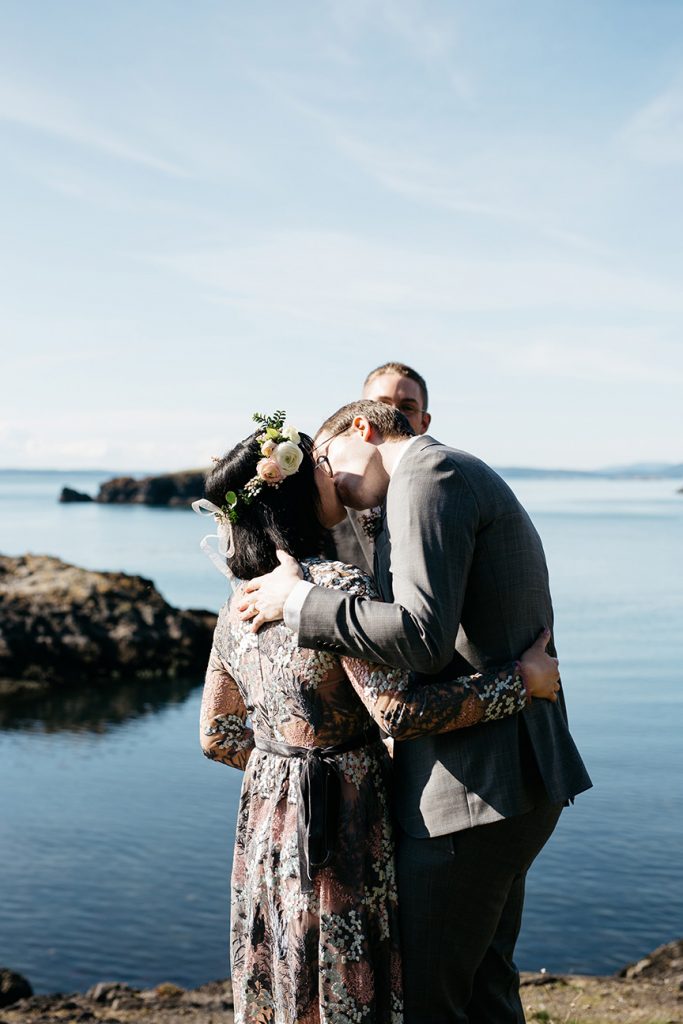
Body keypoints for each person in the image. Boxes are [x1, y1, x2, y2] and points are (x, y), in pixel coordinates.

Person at [197, 412, 562, 1024]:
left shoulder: (239, 606)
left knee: (289, 970)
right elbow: (398, 710)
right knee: (351, 981)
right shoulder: (338, 584)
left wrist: (285, 765)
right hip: (343, 807)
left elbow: (216, 735)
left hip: (269, 819)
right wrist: (516, 685)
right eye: (315, 467)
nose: (326, 474)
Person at [331, 361, 431, 573]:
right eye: (382, 405)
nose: (394, 415)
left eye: (407, 407)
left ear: (424, 423)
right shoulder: (332, 493)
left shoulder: (437, 492)